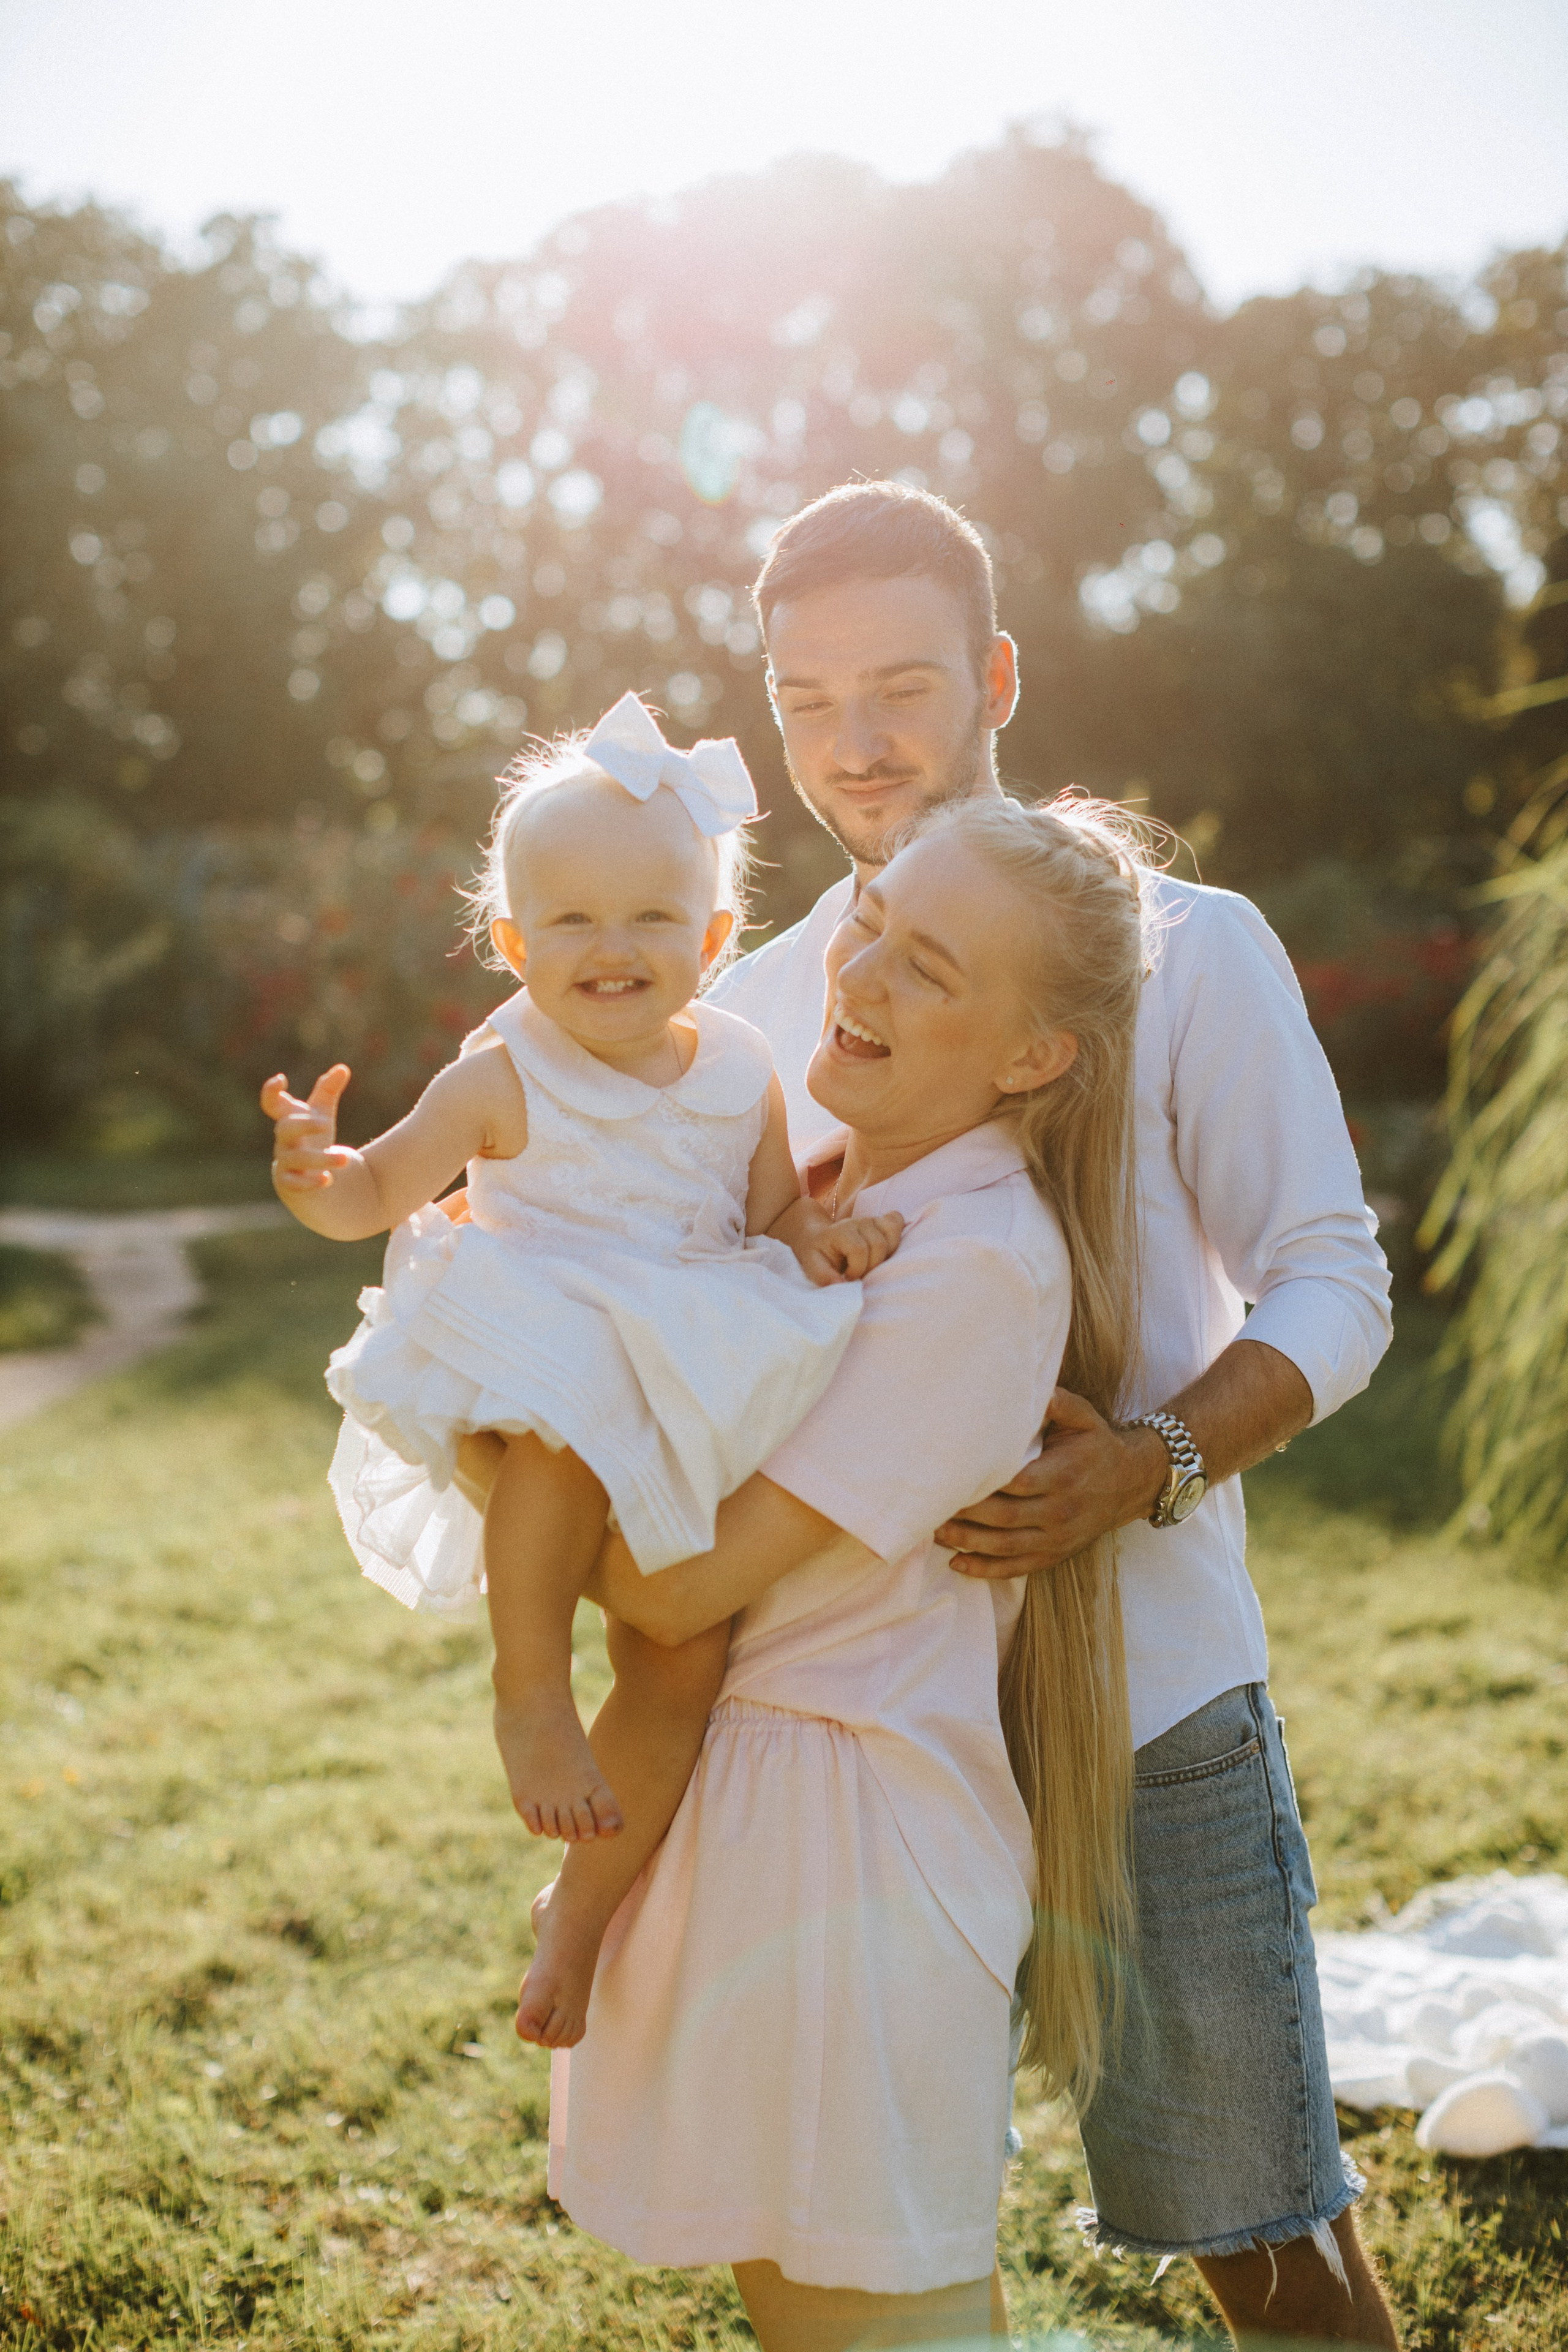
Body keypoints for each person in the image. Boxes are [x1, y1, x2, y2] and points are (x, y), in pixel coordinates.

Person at [709, 481, 1401, 2350]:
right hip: (866, 1731)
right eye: (808, 700)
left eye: (903, 687)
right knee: (878, 2242)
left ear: (999, 677)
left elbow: (1335, 1282)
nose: (855, 745)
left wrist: (1145, 1464)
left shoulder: (1187, 948)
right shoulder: (764, 1008)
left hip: (1149, 1705)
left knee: (1263, 2245)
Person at [490, 788, 1150, 2351]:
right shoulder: (826, 1189)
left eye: (928, 967)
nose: (855, 977)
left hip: (841, 1849)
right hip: (748, 1810)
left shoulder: (975, 1262)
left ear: (1031, 1057)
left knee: (875, 2324)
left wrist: (487, 1427)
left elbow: (673, 1591)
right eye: (870, 925)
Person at [260, 690, 898, 1909]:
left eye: (653, 915)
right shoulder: (502, 1076)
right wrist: (319, 1178)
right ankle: (530, 1690)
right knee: (564, 1434)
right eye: (571, 920)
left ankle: (592, 1905)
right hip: (549, 1345)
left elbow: (771, 1212)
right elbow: (382, 1189)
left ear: (713, 938)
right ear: (513, 944)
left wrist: (822, 1241)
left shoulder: (740, 1067)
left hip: (681, 1359)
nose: (614, 947)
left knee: (683, 1647)